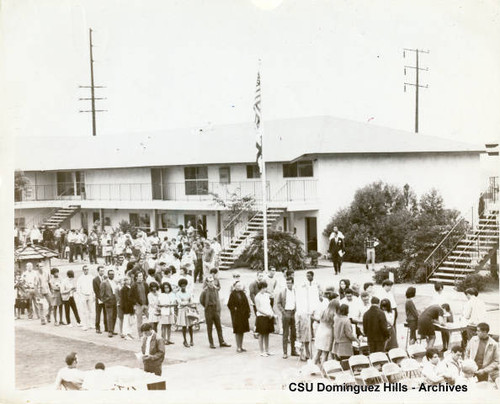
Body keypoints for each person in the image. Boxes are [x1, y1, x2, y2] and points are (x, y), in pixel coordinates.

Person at [199, 276, 231, 349]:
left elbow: (217, 299)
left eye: (212, 281)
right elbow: (201, 300)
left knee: (219, 326)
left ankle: (221, 341)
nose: (211, 283)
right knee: (209, 327)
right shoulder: (205, 291)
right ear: (207, 282)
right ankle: (211, 343)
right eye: (209, 281)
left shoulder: (215, 289)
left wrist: (217, 308)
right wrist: (206, 306)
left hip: (215, 309)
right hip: (209, 310)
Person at [276, 277, 299, 359]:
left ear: (293, 283)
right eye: (287, 283)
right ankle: (285, 352)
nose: (288, 284)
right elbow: (278, 303)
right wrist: (283, 312)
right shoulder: (282, 292)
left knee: (294, 333)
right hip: (286, 312)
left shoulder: (295, 291)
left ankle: (293, 350)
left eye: (290, 283)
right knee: (286, 333)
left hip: (293, 313)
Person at [227, 280, 251, 353]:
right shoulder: (233, 294)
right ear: (235, 286)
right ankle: (238, 347)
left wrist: (249, 311)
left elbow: (246, 303)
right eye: (237, 286)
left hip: (243, 315)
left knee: (242, 331)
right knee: (238, 331)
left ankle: (241, 346)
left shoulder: (242, 293)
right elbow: (229, 304)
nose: (239, 287)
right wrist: (234, 309)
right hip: (237, 315)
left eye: (240, 286)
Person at [314, 299, 339, 365]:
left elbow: (318, 319)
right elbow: (335, 326)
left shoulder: (324, 311)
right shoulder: (334, 315)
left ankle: (312, 367)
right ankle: (323, 370)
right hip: (328, 333)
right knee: (325, 353)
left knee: (318, 352)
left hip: (319, 331)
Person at [255, 281, 275, 357]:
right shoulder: (257, 296)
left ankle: (267, 350)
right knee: (261, 334)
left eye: (265, 287)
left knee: (267, 333)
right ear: (261, 288)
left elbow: (269, 306)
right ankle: (261, 351)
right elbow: (258, 308)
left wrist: (272, 313)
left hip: (268, 316)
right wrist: (267, 314)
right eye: (264, 287)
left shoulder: (267, 295)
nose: (265, 289)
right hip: (261, 317)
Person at [176, 278, 196, 348]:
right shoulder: (178, 293)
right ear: (180, 286)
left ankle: (191, 340)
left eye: (184, 285)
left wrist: (187, 303)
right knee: (184, 326)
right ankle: (185, 340)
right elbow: (180, 302)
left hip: (188, 310)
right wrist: (187, 302)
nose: (183, 287)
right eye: (182, 286)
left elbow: (192, 300)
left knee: (190, 325)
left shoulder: (189, 292)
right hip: (182, 310)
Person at [130, 272, 149, 336]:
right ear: (136, 277)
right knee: (139, 321)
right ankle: (140, 335)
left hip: (146, 304)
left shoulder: (145, 284)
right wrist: (136, 303)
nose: (141, 277)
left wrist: (148, 303)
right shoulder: (134, 285)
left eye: (142, 276)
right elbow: (130, 296)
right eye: (140, 276)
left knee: (151, 318)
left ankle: (150, 333)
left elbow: (148, 293)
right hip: (139, 305)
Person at [100, 269, 118, 338]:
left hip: (115, 300)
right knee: (109, 316)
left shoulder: (115, 282)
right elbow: (101, 294)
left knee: (114, 316)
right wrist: (106, 300)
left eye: (113, 274)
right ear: (108, 275)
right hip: (109, 301)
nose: (112, 275)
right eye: (110, 274)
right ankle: (109, 331)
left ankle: (112, 329)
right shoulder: (104, 283)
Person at [76, 265, 94, 331]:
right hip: (83, 295)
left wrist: (93, 294)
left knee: (91, 310)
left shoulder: (91, 277)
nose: (86, 271)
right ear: (83, 270)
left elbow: (93, 286)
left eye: (87, 269)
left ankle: (91, 324)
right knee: (83, 311)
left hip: (90, 295)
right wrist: (81, 295)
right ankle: (84, 325)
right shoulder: (80, 278)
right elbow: (78, 288)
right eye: (85, 269)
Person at [93, 266, 108, 334]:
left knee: (106, 313)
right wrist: (101, 298)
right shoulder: (95, 280)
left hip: (105, 299)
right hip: (99, 299)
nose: (102, 272)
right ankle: (97, 327)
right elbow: (96, 291)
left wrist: (106, 298)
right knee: (98, 313)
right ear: (98, 271)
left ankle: (106, 327)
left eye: (103, 271)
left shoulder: (106, 278)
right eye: (101, 271)